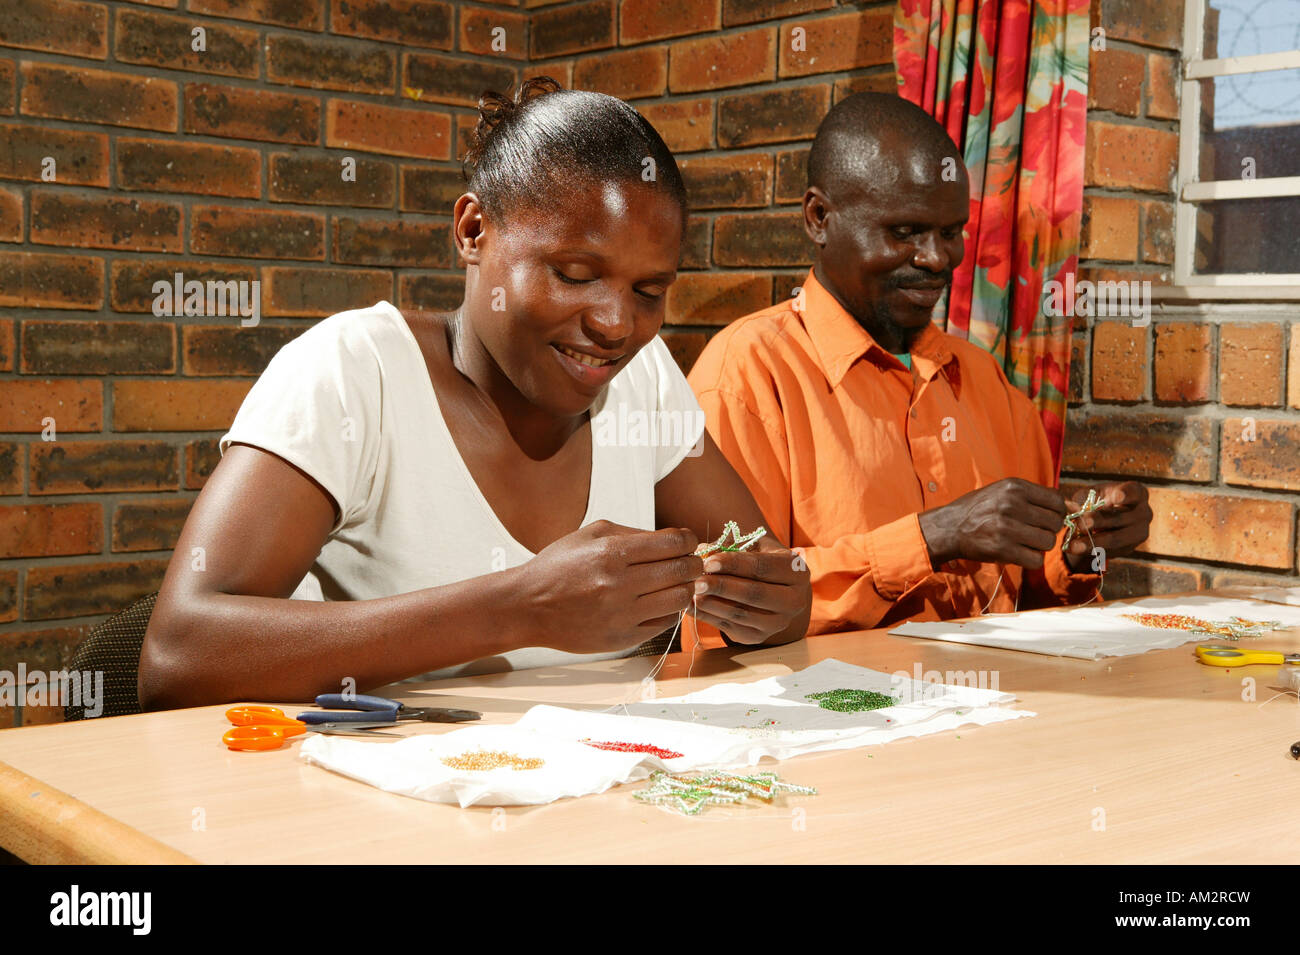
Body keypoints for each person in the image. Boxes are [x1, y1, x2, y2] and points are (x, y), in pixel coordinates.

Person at [138, 78, 810, 710]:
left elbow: (777, 584)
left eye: (649, 291)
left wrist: (768, 603)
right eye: (575, 273)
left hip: (600, 801)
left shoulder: (644, 376)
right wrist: (519, 608)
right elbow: (178, 657)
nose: (615, 322)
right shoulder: (355, 372)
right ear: (472, 231)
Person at [686, 92, 1152, 640]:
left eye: (951, 232)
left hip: (994, 709)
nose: (937, 259)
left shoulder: (986, 381)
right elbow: (728, 604)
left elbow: (1027, 599)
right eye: (904, 232)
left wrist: (1075, 555)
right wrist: (933, 537)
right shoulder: (747, 373)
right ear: (819, 219)